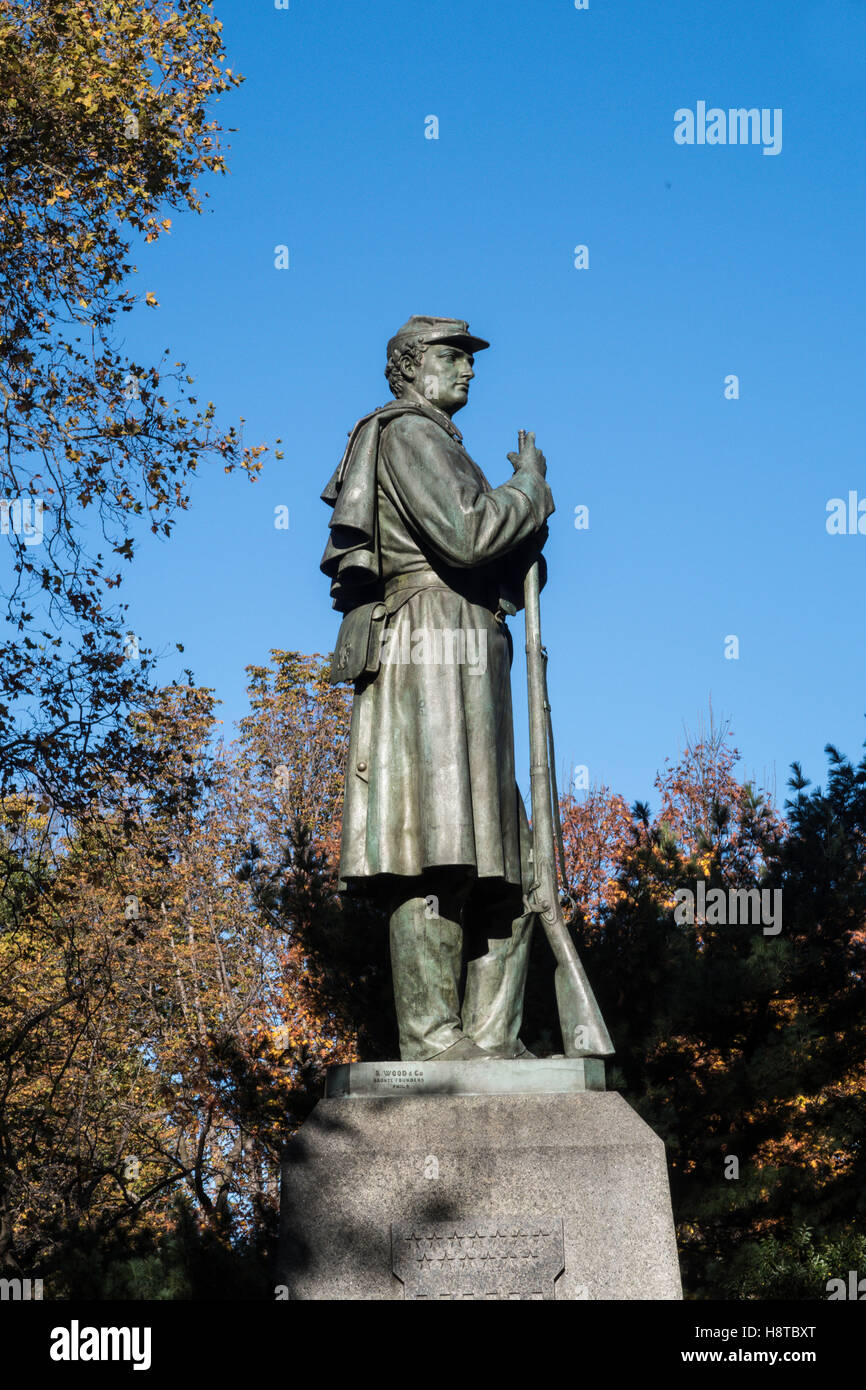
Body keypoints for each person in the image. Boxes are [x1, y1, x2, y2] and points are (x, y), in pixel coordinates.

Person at [321, 316, 553, 1061]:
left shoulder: (443, 443)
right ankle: (432, 1039)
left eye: (469, 358)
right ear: (412, 366)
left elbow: (490, 553)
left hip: (468, 651)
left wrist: (522, 532)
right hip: (431, 648)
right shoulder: (408, 434)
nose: (469, 370)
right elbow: (466, 534)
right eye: (454, 357)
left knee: (507, 864)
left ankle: (492, 1039)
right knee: (435, 846)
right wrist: (530, 491)